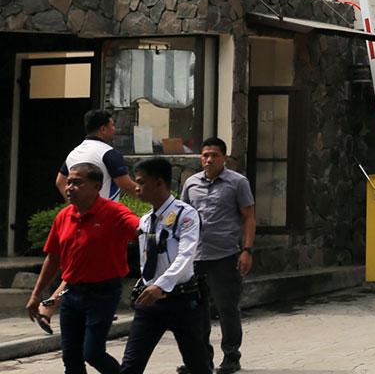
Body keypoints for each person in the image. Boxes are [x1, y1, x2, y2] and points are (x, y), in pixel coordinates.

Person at [26, 163, 141, 374]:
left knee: (93, 353)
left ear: (96, 186)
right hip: (71, 293)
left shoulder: (114, 213)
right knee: (71, 356)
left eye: (77, 182)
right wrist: (36, 295)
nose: (70, 187)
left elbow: (142, 229)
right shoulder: (64, 216)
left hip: (103, 293)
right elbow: (53, 259)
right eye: (68, 182)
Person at [119, 158, 211, 374]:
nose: (136, 188)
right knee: (131, 365)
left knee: (197, 363)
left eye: (141, 182)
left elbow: (186, 255)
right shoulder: (145, 220)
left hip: (181, 300)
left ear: (159, 183)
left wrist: (161, 285)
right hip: (150, 301)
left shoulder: (185, 215)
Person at [179, 138, 255, 374]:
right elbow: (183, 217)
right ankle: (201, 358)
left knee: (227, 308)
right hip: (196, 257)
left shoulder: (238, 183)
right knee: (196, 311)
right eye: (205, 155)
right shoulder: (191, 183)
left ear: (224, 158)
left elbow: (249, 217)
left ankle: (231, 356)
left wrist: (247, 250)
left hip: (225, 256)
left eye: (214, 155)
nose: (209, 159)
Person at [56, 109, 138, 201]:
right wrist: (151, 196)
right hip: (105, 213)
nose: (114, 130)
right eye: (112, 125)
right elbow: (126, 185)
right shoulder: (109, 153)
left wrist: (74, 204)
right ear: (103, 129)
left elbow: (60, 182)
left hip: (81, 213)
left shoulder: (73, 153)